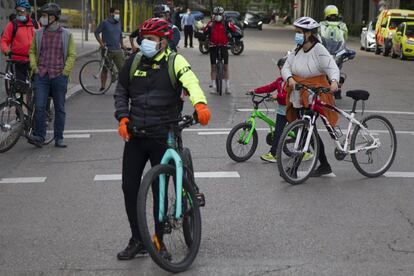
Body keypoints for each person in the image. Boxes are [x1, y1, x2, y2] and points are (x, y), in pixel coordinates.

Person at [114, 18, 211, 260]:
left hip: (162, 134)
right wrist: (123, 118)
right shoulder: (134, 61)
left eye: (152, 39)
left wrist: (200, 104)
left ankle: (158, 241)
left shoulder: (175, 60)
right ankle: (138, 239)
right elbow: (121, 90)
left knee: (159, 191)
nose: (146, 43)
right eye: (144, 38)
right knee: (129, 188)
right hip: (136, 134)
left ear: (163, 42)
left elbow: (191, 82)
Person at [281, 16, 340, 176]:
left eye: (299, 32)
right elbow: (286, 67)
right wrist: (290, 78)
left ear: (308, 33)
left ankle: (293, 169)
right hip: (300, 93)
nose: (297, 35)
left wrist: (334, 81)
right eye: (296, 32)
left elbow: (332, 67)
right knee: (308, 130)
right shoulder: (297, 49)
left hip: (317, 93)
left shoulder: (319, 49)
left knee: (306, 129)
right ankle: (325, 165)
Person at [28, 3, 76, 148]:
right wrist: (34, 67)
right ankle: (40, 136)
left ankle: (59, 137)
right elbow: (32, 51)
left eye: (44, 16)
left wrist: (65, 72)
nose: (42, 19)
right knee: (40, 106)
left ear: (53, 18)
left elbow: (72, 55)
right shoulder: (38, 33)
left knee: (59, 108)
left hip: (59, 76)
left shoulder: (67, 35)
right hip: (41, 75)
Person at [1, 0, 37, 81]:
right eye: (17, 11)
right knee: (21, 85)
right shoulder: (12, 25)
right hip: (18, 59)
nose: (19, 13)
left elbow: (42, 39)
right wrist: (6, 50)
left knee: (36, 83)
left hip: (33, 59)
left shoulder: (34, 23)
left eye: (22, 11)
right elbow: (4, 40)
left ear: (28, 11)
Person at [203, 6, 236, 94]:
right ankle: (213, 86)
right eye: (216, 14)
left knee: (225, 67)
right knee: (213, 67)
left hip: (224, 46)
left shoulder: (226, 23)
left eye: (220, 14)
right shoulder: (211, 23)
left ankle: (227, 86)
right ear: (213, 15)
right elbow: (204, 32)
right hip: (213, 46)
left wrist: (231, 27)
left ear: (223, 14)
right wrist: (208, 26)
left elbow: (234, 30)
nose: (218, 16)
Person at [319, 5, 348, 99]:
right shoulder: (342, 25)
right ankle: (337, 88)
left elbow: (344, 40)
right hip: (330, 52)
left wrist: (344, 50)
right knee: (338, 69)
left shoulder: (321, 24)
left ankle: (338, 87)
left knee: (337, 69)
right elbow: (346, 37)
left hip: (335, 52)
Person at [94, 7, 126, 91]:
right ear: (111, 13)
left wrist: (122, 45)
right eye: (116, 13)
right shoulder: (105, 22)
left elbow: (120, 34)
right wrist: (101, 43)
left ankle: (121, 87)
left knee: (122, 70)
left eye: (118, 13)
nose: (118, 15)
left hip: (117, 50)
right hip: (107, 50)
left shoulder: (118, 22)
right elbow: (96, 32)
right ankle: (103, 87)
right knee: (104, 69)